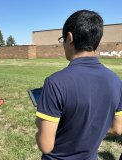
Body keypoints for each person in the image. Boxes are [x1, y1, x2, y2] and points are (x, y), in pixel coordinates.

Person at [35, 10, 122, 160]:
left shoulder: (55, 83)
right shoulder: (115, 80)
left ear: (69, 38)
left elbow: (45, 145)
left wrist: (39, 125)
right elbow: (117, 128)